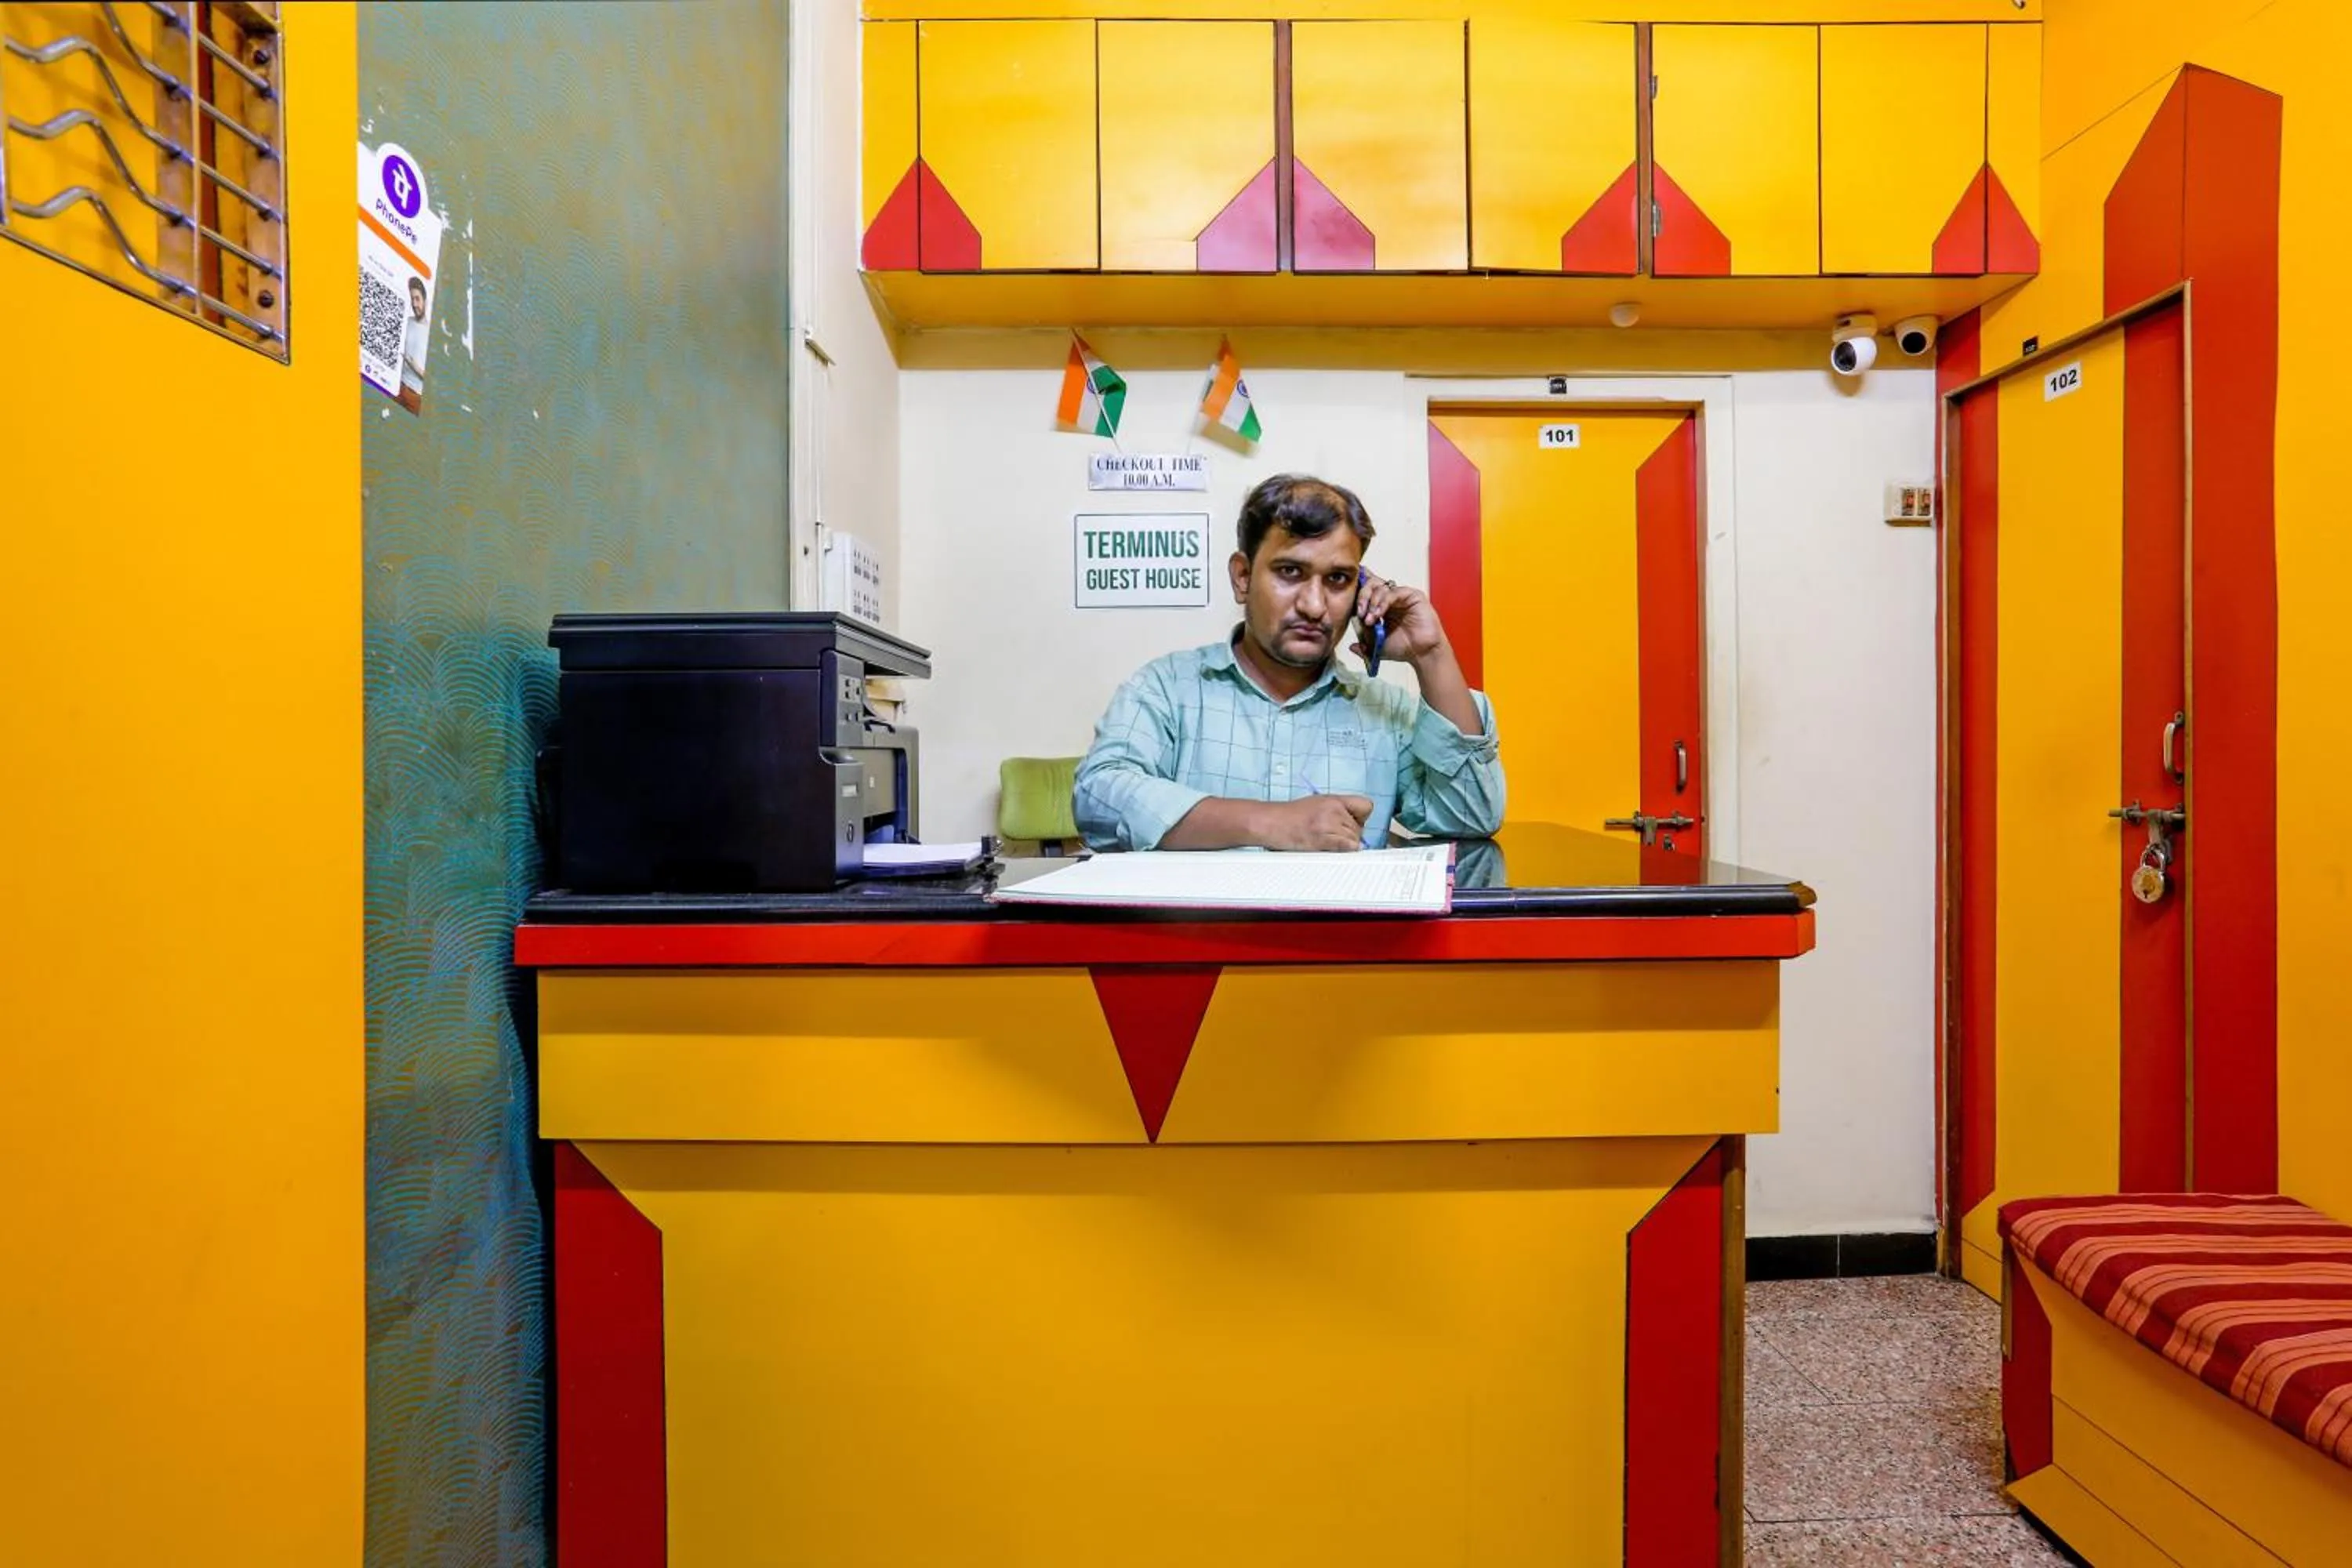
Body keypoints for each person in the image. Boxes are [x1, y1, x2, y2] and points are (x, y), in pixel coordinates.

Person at [1074, 474, 1504, 852]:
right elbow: (1099, 796)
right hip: (1198, 940)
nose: (1315, 606)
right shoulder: (1169, 688)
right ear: (1243, 577)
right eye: (1290, 572)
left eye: (1337, 579)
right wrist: (1274, 823)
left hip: (1346, 945)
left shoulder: (1384, 713)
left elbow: (1471, 817)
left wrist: (1431, 655)